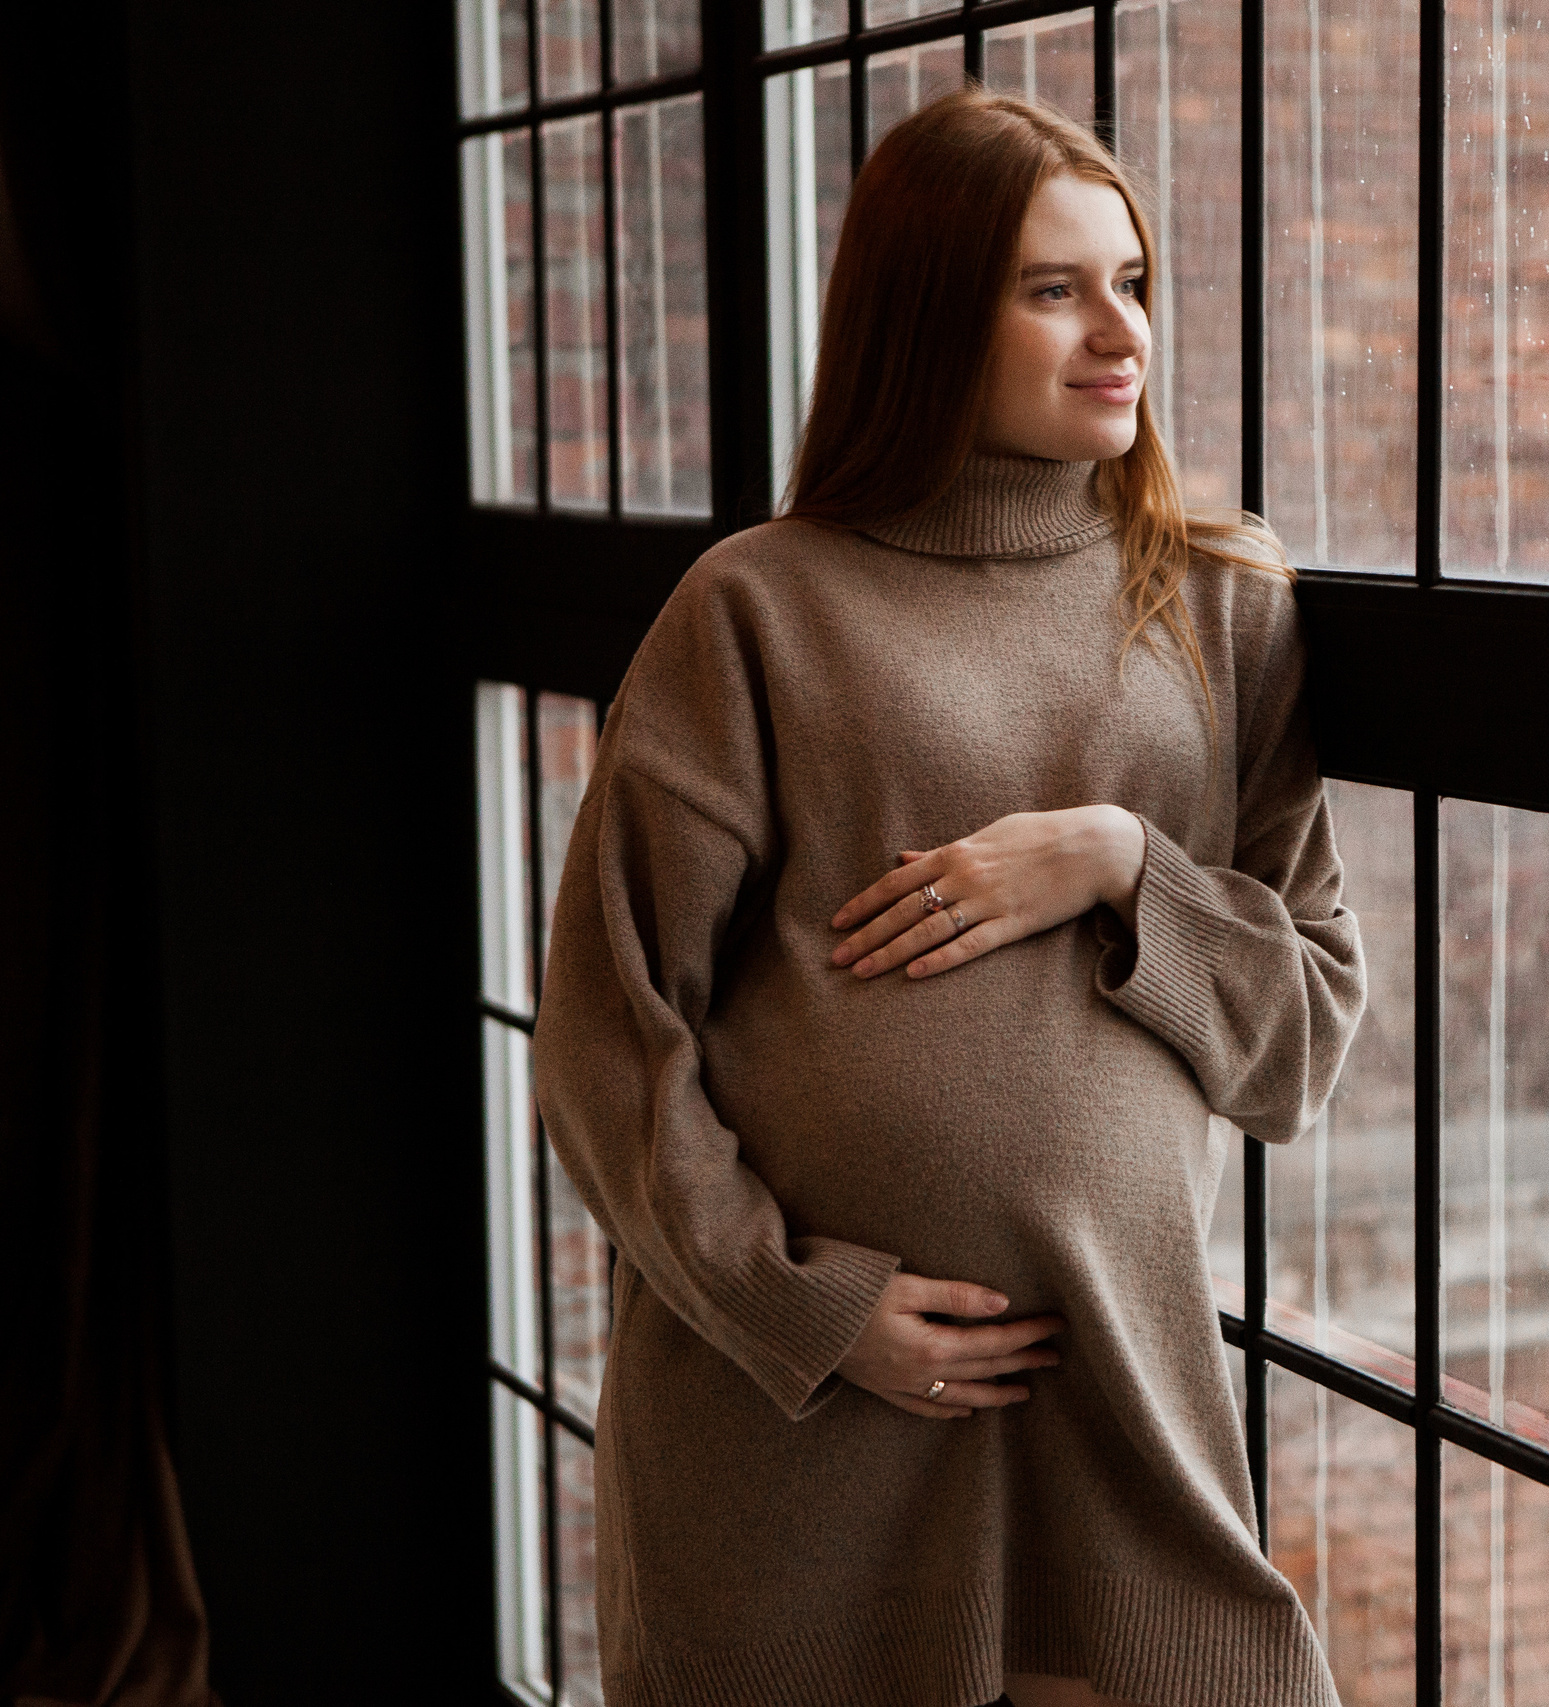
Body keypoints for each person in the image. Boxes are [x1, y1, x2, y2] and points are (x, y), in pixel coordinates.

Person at [532, 85, 1366, 1707]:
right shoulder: (756, 610)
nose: (1116, 330)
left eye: (1130, 280)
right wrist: (818, 1315)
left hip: (1114, 1390)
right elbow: (604, 1035)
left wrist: (1119, 861)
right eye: (1052, 288)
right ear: (928, 319)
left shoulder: (1221, 604)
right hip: (802, 1417)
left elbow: (1307, 1030)